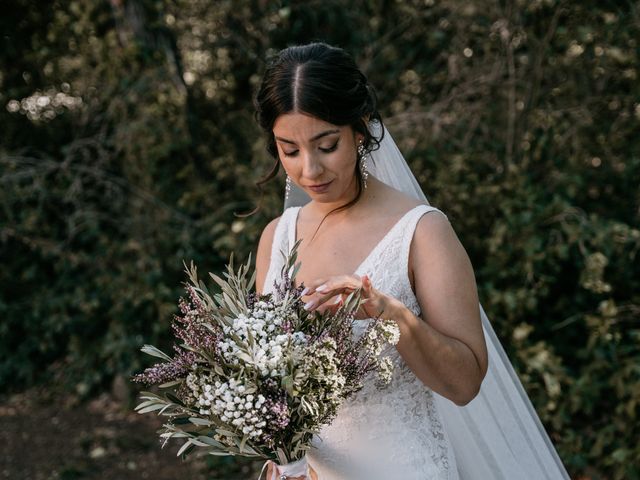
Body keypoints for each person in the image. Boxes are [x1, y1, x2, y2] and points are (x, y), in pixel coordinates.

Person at [253, 42, 569, 480]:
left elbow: (465, 384)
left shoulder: (421, 232)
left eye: (327, 145)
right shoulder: (276, 238)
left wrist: (391, 315)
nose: (309, 170)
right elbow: (269, 388)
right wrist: (280, 463)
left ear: (360, 131)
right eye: (289, 150)